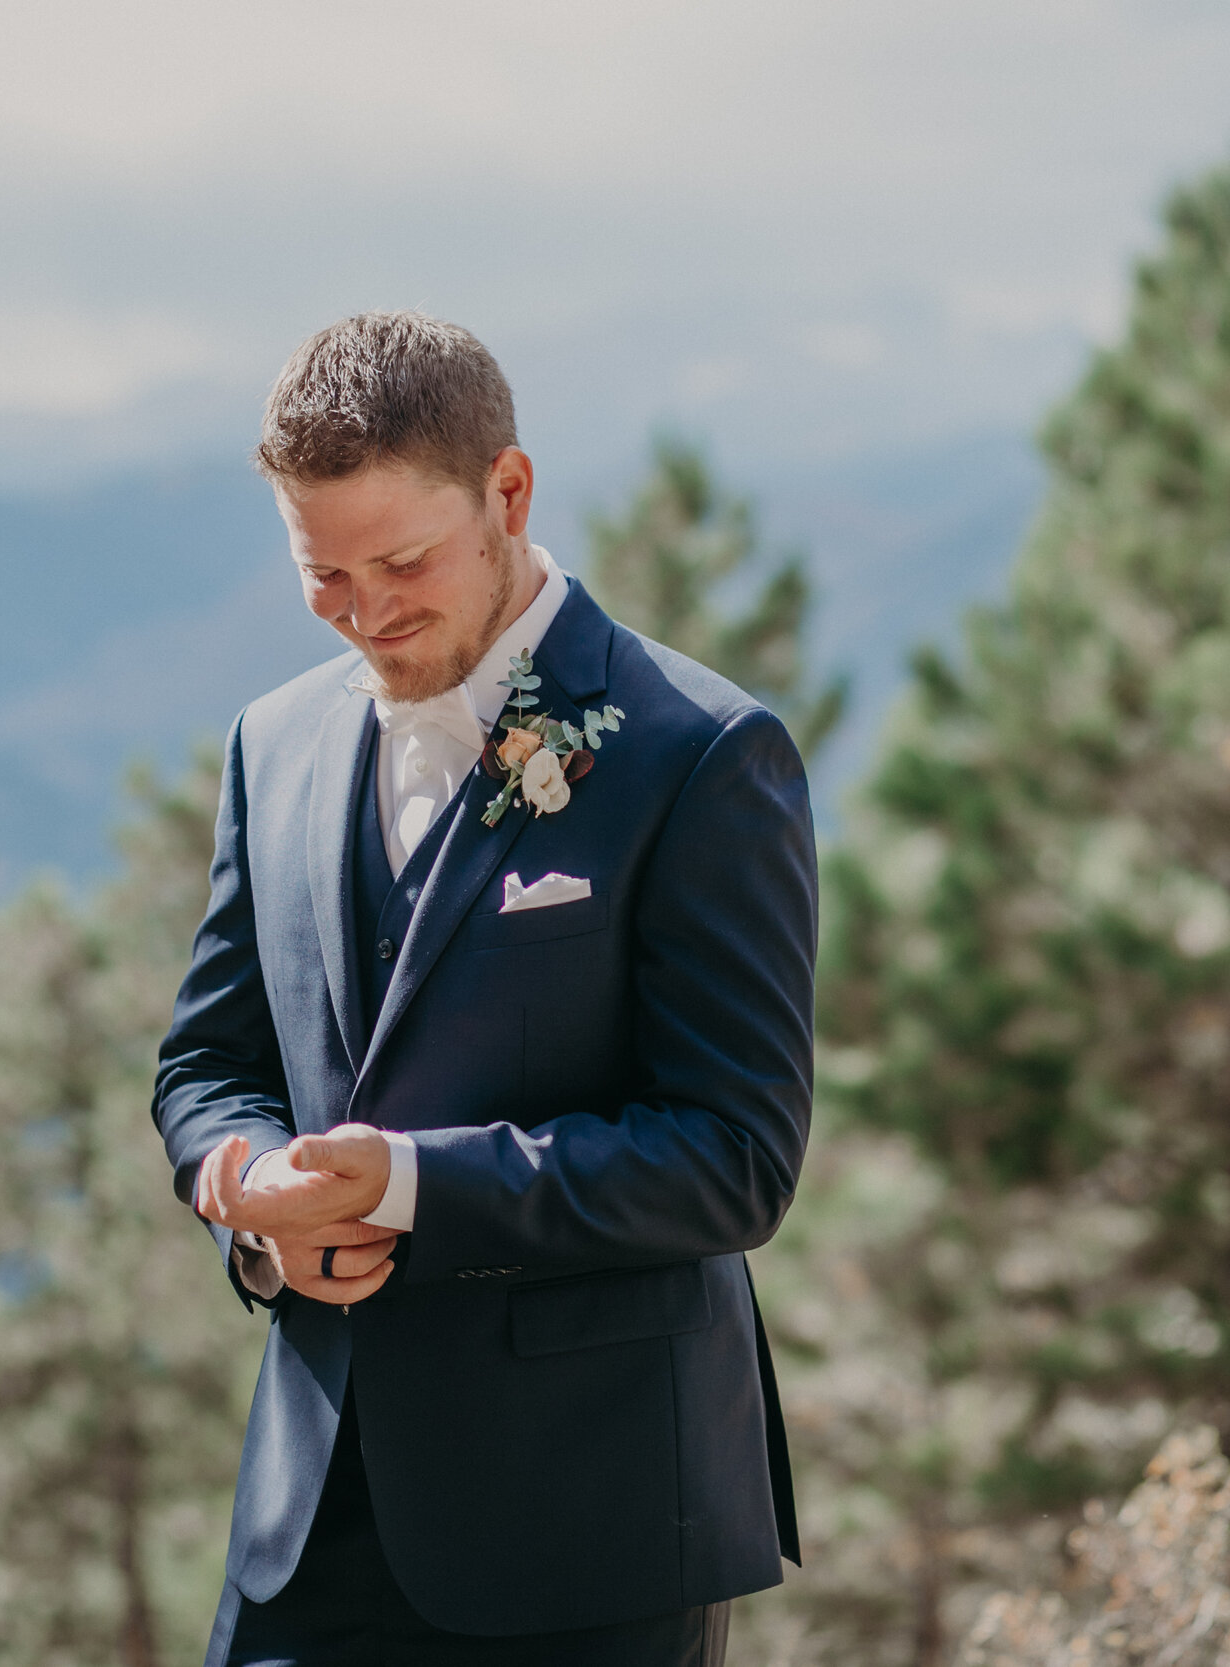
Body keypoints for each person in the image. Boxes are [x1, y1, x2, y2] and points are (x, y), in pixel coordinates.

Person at [152, 310, 815, 1667]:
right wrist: (241, 1188)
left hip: (588, 1531)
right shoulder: (268, 747)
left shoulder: (701, 754)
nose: (368, 611)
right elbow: (208, 1065)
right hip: (305, 1521)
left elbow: (734, 1160)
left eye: (402, 561)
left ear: (508, 493)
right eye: (322, 575)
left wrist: (405, 1185)